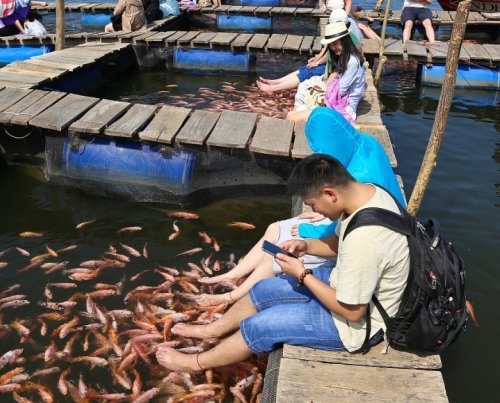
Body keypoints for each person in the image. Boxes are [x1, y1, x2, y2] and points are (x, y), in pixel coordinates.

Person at [155, 153, 410, 372]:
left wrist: (303, 275)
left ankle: (195, 363)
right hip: (348, 287)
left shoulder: (365, 240)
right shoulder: (369, 194)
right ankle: (212, 330)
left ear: (330, 193)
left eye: (312, 204)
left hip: (362, 324)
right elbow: (338, 242)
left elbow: (352, 311)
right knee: (262, 289)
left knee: (261, 326)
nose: (315, 212)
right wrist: (307, 246)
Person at [193, 108, 406, 306]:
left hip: (369, 232)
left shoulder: (360, 176)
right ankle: (234, 274)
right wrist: (323, 213)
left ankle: (232, 296)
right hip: (356, 214)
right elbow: (345, 209)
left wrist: (308, 231)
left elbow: (346, 230)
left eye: (322, 150)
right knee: (274, 229)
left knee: (276, 256)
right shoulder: (364, 143)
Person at [286, 22, 365, 124]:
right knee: (290, 114)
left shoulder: (352, 61)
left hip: (343, 107)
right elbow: (336, 76)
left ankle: (299, 138)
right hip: (334, 99)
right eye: (331, 45)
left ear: (345, 41)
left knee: (292, 119)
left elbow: (341, 90)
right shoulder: (344, 57)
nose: (333, 48)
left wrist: (321, 97)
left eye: (335, 43)